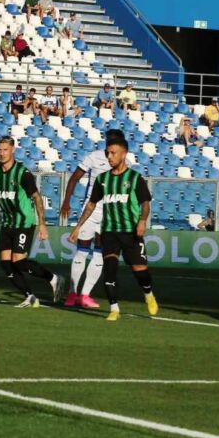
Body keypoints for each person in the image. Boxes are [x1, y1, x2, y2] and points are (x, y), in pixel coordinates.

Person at [0, 137, 67, 307]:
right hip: (7, 223)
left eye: (5, 150)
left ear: (12, 150)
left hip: (24, 222)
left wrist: (42, 224)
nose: (1, 153)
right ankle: (30, 297)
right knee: (6, 264)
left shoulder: (22, 173)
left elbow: (36, 198)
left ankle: (53, 278)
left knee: (18, 261)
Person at [69, 138, 157, 322]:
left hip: (130, 232)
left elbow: (145, 203)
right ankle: (114, 308)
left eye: (113, 153)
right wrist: (78, 227)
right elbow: (91, 204)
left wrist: (142, 221)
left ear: (123, 154)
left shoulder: (134, 178)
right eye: (108, 153)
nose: (109, 156)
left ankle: (148, 294)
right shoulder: (102, 179)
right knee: (109, 269)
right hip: (109, 231)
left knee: (140, 270)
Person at [59, 128, 126, 309]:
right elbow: (74, 178)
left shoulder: (124, 162)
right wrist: (66, 201)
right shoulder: (94, 157)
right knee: (82, 250)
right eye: (108, 141)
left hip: (109, 214)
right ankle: (72, 293)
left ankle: (85, 295)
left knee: (99, 253)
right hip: (90, 210)